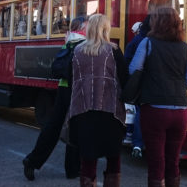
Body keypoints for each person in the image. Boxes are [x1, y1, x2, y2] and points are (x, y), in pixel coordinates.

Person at [129, 7, 187, 187]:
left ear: (156, 23)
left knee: (156, 162)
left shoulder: (148, 43)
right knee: (173, 162)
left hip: (154, 108)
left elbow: (134, 70)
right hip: (180, 111)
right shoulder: (186, 49)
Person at [68, 14, 128, 187]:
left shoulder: (77, 51)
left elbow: (70, 78)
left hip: (83, 111)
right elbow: (124, 79)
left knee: (88, 158)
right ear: (105, 29)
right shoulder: (114, 50)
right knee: (113, 157)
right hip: (111, 111)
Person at [23, 17, 86, 181]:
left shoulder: (70, 40)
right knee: (75, 127)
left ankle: (32, 160)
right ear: (81, 27)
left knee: (53, 127)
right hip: (76, 88)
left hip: (64, 87)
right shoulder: (83, 40)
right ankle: (72, 169)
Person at [124, 17, 152, 159]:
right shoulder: (146, 41)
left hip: (138, 81)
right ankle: (137, 141)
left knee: (137, 110)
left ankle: (135, 140)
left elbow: (130, 64)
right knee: (140, 110)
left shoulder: (138, 40)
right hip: (145, 82)